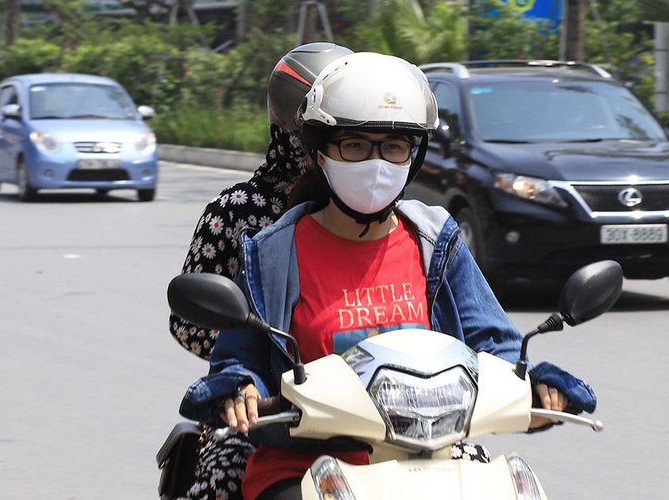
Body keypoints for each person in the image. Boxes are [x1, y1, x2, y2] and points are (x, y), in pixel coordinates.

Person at [178, 52, 597, 500]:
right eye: (355, 146)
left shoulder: (436, 241)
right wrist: (240, 388)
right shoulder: (273, 252)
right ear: (320, 152)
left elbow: (494, 344)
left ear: (412, 158)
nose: (376, 164)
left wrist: (536, 384)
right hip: (308, 465)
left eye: (394, 147)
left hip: (432, 458)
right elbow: (242, 359)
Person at [169, 42, 355, 500]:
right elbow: (191, 322)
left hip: (385, 402)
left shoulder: (389, 218)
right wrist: (250, 369)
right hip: (270, 410)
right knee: (221, 477)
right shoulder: (236, 213)